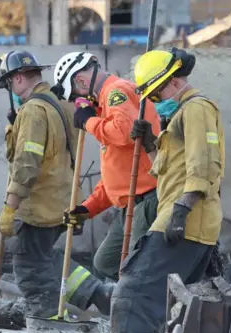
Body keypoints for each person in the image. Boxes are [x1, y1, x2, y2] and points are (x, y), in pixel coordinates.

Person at [98, 47, 226, 333]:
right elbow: (167, 172)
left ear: (171, 83)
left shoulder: (197, 109)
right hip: (177, 215)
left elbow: (204, 166)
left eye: (155, 95)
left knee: (134, 293)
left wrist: (182, 210)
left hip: (184, 218)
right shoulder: (180, 115)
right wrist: (152, 144)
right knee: (158, 300)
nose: (154, 102)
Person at [0, 50, 113, 318]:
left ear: (20, 78)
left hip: (40, 205)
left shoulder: (34, 111)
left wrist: (10, 207)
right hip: (65, 200)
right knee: (45, 256)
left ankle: (46, 319)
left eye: (10, 83)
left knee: (30, 266)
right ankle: (97, 292)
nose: (11, 89)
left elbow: (27, 163)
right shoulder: (61, 102)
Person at [51, 51, 161, 281]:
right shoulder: (105, 105)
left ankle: (153, 311)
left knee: (140, 272)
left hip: (146, 198)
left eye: (76, 96)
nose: (79, 103)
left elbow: (125, 133)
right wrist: (87, 208)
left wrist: (88, 120)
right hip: (130, 202)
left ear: (81, 81)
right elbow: (117, 173)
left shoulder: (116, 92)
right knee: (106, 262)